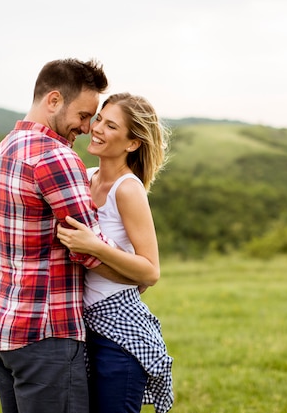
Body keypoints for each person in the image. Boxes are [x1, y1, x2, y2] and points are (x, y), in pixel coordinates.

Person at [0, 58, 131, 413]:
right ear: (54, 100)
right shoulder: (56, 156)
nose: (88, 127)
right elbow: (88, 250)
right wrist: (138, 276)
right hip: (45, 333)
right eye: (84, 115)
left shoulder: (1, 150)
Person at [56, 93, 174, 413]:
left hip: (117, 332)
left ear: (132, 143)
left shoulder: (128, 188)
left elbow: (150, 271)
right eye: (99, 119)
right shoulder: (87, 176)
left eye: (111, 126)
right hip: (83, 326)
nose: (96, 129)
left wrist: (95, 246)